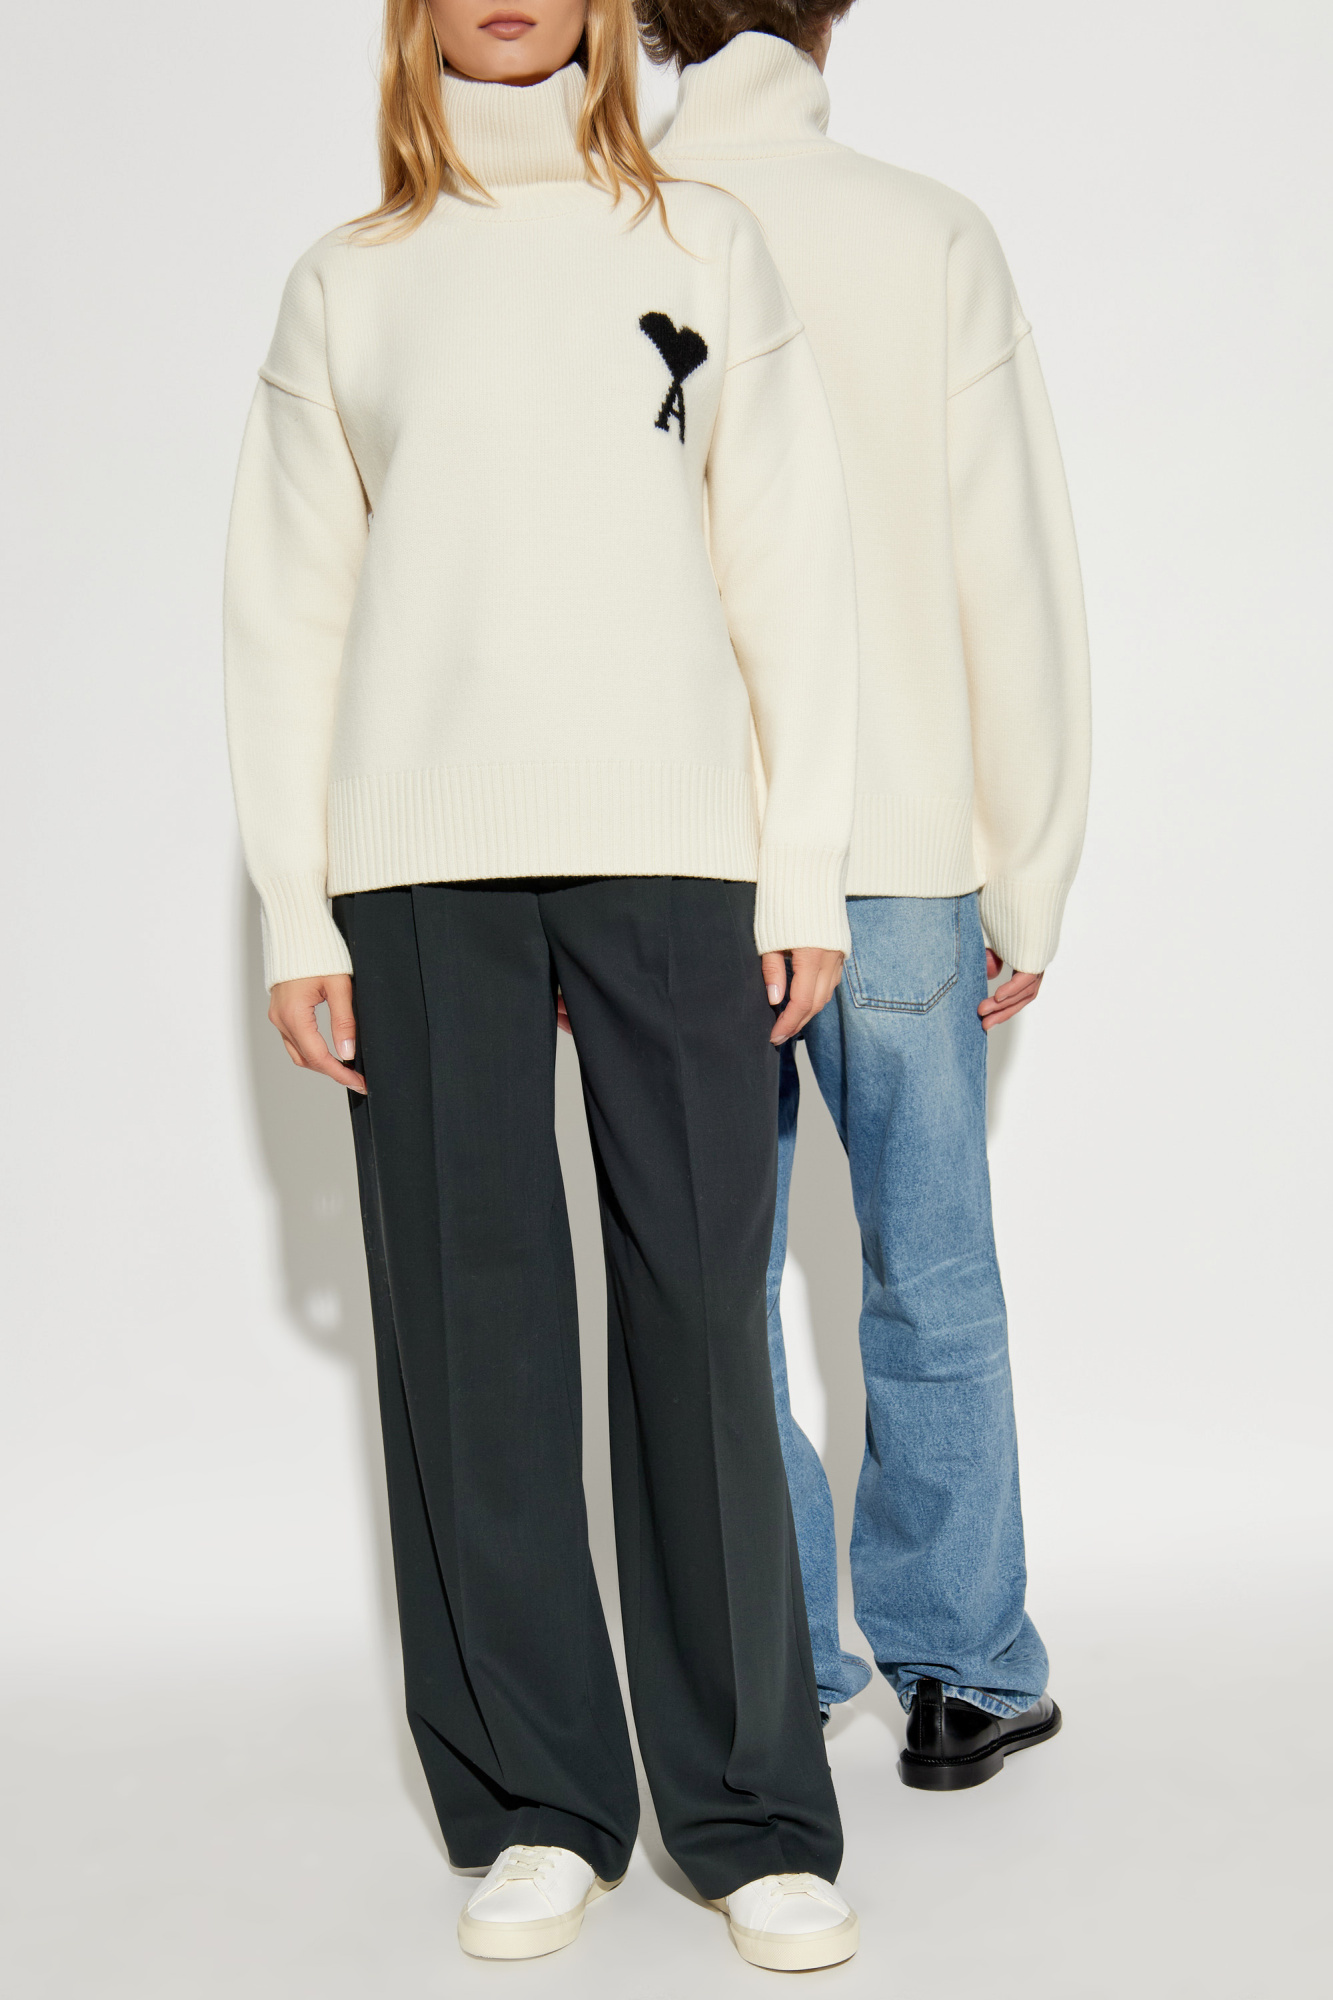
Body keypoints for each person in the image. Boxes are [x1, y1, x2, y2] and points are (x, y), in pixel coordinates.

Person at [225, 0, 865, 1971]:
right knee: (473, 1333)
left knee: (698, 1311)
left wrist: (801, 862)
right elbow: (288, 607)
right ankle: (535, 1799)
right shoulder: (351, 280)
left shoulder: (702, 244)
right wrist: (296, 908)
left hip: (675, 838)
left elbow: (787, 565)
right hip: (415, 859)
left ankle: (750, 1815)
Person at [641, 0, 1092, 1787]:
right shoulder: (927, 233)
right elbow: (1010, 572)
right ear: (828, 12)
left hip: (681, 850)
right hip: (900, 849)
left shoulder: (612, 225)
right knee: (932, 1266)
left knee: (713, 1282)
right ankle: (962, 1670)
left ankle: (777, 1658)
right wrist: (1027, 864)